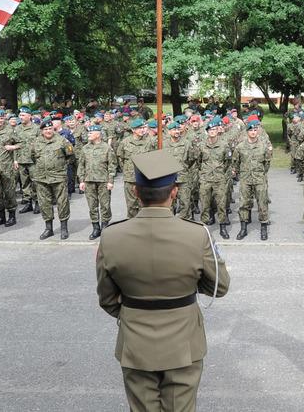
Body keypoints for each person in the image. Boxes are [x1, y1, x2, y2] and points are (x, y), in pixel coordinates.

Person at [96, 150, 230, 412]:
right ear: (174, 192)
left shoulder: (111, 237)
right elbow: (219, 286)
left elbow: (107, 298)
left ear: (136, 192)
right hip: (183, 339)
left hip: (136, 340)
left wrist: (135, 312)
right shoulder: (197, 235)